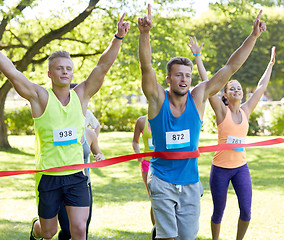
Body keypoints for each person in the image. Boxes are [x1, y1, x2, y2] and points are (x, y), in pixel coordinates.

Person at [138, 4, 266, 240]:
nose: (184, 79)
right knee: (167, 236)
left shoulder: (198, 97)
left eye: (187, 75)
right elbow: (146, 67)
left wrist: (254, 36)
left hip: (190, 182)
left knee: (187, 236)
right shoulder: (157, 99)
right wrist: (144, 34)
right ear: (168, 78)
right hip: (162, 180)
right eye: (178, 75)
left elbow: (230, 67)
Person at [0, 13, 129, 240]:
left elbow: (102, 67)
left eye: (68, 68)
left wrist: (118, 37)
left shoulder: (81, 95)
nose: (65, 72)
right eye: (59, 68)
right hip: (48, 176)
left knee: (79, 229)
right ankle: (36, 228)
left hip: (76, 175)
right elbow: (11, 71)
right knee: (49, 232)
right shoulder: (39, 97)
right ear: (50, 73)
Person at [189, 37, 276, 240]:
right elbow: (207, 82)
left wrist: (270, 65)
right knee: (218, 212)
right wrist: (197, 56)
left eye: (238, 87)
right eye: (231, 88)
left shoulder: (246, 110)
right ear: (225, 95)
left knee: (246, 211)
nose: (236, 89)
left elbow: (261, 86)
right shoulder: (221, 110)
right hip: (220, 169)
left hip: (240, 168)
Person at [58, 127, 105, 240]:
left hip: (83, 185)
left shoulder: (89, 133)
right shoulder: (61, 130)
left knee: (83, 228)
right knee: (67, 229)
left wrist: (100, 157)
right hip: (62, 184)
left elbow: (98, 153)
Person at [132, 115, 155, 237]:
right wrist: (138, 155)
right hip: (147, 164)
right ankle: (156, 230)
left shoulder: (165, 117)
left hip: (164, 164)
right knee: (154, 199)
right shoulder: (141, 121)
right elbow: (135, 141)